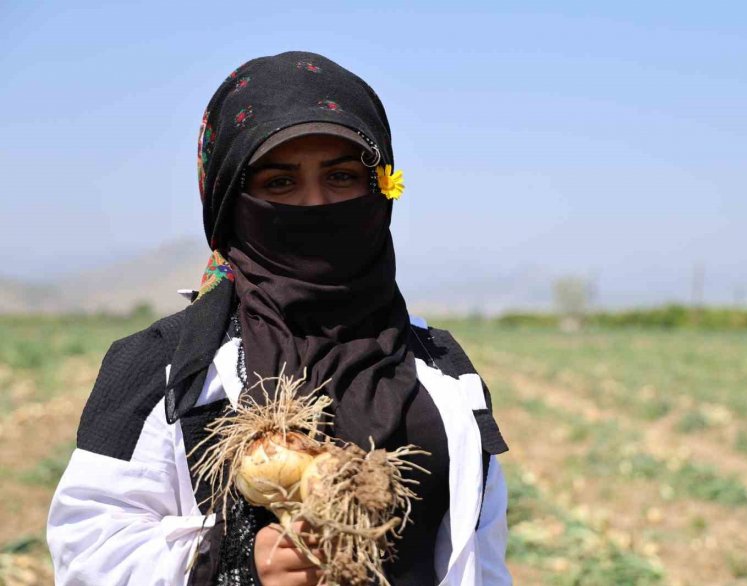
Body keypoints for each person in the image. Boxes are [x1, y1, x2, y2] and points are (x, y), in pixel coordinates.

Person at [47, 50, 512, 585]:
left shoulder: (443, 368)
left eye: (341, 176)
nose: (316, 205)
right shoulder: (164, 365)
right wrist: (234, 561)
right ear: (230, 200)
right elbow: (86, 547)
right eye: (280, 183)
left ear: (380, 189)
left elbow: (483, 558)